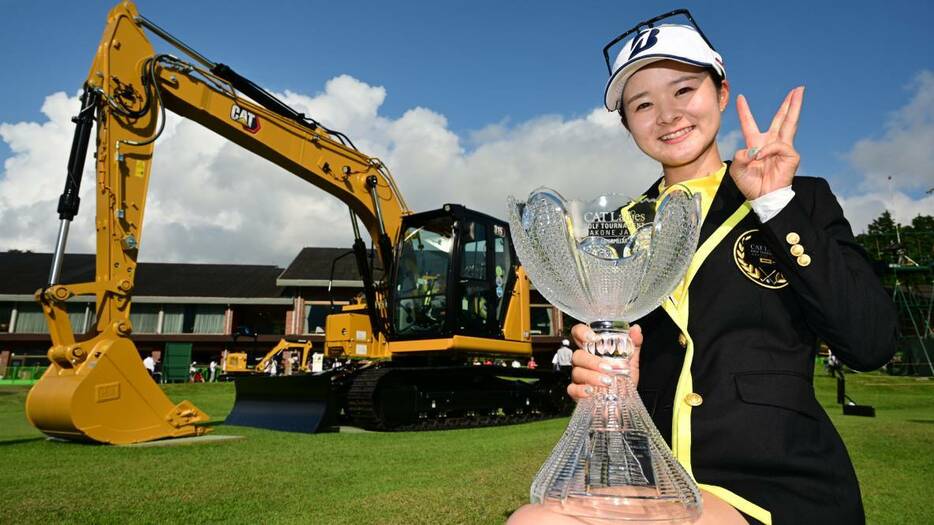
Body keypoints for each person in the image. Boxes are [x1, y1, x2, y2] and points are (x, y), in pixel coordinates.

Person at [510, 12, 896, 525]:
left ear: (721, 91)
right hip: (653, 480)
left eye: (684, 90)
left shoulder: (799, 200)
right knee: (532, 520)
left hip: (775, 483)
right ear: (628, 125)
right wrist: (609, 381)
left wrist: (775, 204)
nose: (667, 115)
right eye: (642, 104)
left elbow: (869, 343)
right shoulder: (614, 231)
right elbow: (621, 379)